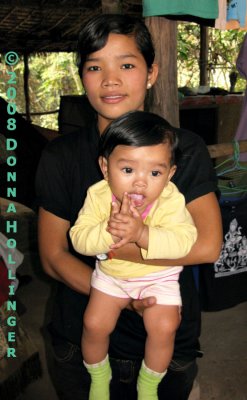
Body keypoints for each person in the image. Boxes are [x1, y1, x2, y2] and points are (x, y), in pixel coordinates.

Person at [36, 14, 222, 400]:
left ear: (151, 73)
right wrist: (119, 294)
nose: (110, 80)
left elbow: (207, 246)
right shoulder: (60, 157)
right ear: (82, 77)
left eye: (126, 64)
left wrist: (124, 254)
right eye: (94, 66)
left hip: (166, 337)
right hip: (82, 336)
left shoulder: (184, 150)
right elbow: (53, 255)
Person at [70, 111, 197, 400]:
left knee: (165, 326)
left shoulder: (171, 199)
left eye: (155, 173)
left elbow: (185, 241)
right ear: (105, 167)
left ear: (170, 173)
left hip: (158, 278)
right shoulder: (98, 195)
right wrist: (109, 232)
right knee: (94, 323)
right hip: (112, 277)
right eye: (128, 170)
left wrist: (142, 234)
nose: (141, 183)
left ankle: (148, 385)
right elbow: (78, 238)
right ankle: (99, 377)